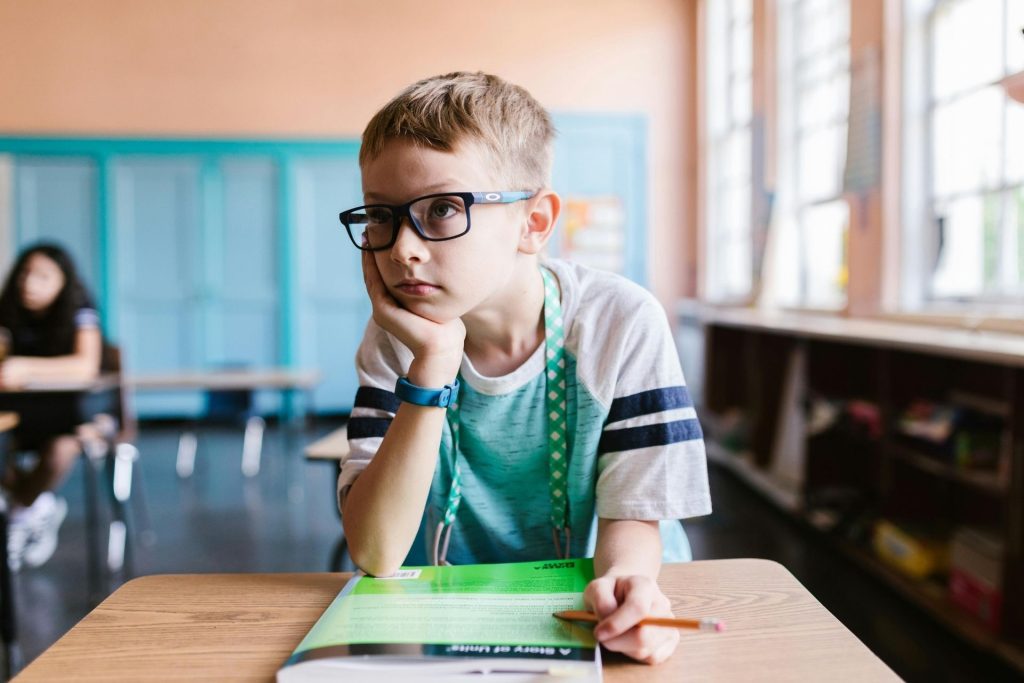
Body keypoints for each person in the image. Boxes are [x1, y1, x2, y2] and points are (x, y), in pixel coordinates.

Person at [338, 72, 711, 665]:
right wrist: (432, 365)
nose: (402, 248)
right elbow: (377, 551)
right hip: (453, 612)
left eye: (441, 209)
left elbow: (635, 514)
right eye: (382, 217)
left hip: (596, 602)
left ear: (534, 222)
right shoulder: (397, 340)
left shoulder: (618, 322)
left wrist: (625, 592)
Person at [0, 242, 104, 570]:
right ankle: (34, 505)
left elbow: (85, 366)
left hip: (72, 417)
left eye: (43, 276)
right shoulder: (9, 308)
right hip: (20, 415)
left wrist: (24, 367)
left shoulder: (80, 308)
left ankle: (19, 511)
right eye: (26, 274)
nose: (31, 283)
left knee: (61, 451)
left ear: (64, 282)